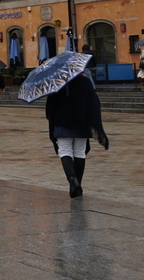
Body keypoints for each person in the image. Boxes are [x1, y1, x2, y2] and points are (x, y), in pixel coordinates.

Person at [46, 68, 108, 198]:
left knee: (65, 151)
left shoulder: (57, 82)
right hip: (82, 122)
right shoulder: (85, 81)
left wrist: (52, 118)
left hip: (62, 121)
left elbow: (50, 107)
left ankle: (72, 179)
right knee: (80, 152)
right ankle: (77, 183)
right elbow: (93, 103)